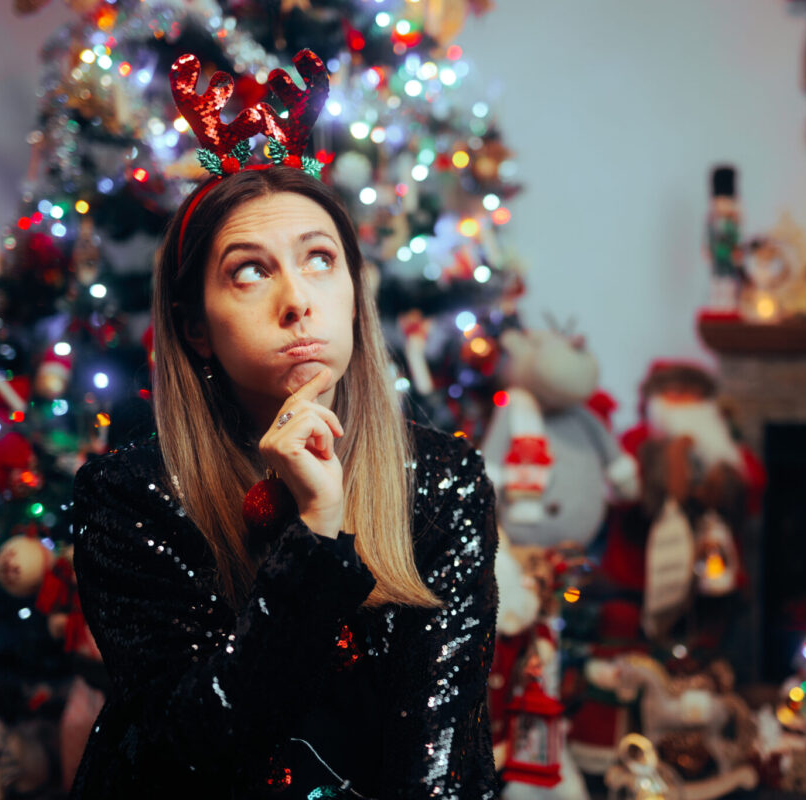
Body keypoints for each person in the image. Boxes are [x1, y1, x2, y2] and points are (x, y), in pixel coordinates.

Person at [67, 59, 500, 796]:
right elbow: (198, 748)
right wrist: (317, 539)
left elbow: (443, 755)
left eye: (320, 260)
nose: (298, 300)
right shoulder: (127, 498)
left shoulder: (444, 483)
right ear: (196, 328)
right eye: (249, 272)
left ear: (354, 295)